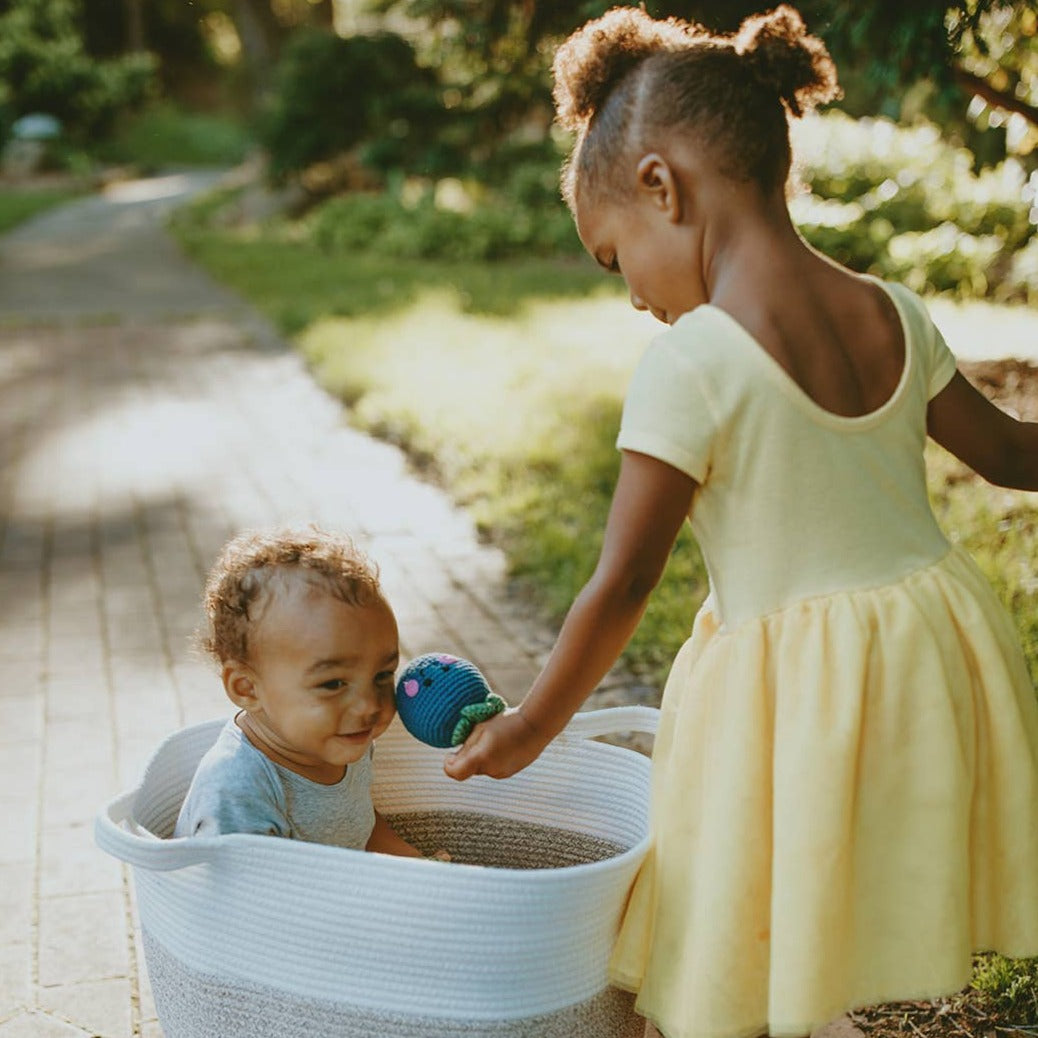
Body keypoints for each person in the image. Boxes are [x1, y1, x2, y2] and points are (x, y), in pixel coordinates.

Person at [444, 6, 1038, 1038]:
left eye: (612, 257)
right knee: (852, 884)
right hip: (929, 655)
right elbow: (1018, 457)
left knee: (731, 908)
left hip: (793, 690)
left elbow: (626, 581)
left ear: (660, 188)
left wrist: (531, 727)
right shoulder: (893, 309)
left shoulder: (693, 362)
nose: (631, 296)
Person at [174, 526, 429, 858]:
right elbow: (240, 904)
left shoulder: (343, 738)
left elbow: (359, 824)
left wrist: (420, 867)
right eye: (333, 683)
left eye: (382, 675)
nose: (369, 705)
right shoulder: (239, 792)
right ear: (247, 688)